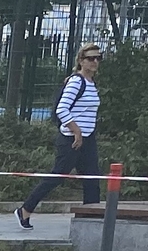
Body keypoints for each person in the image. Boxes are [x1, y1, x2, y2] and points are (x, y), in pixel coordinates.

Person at [15, 43, 102, 229]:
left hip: (88, 138)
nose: (95, 62)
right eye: (90, 58)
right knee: (57, 176)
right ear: (81, 61)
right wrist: (76, 131)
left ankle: (91, 220)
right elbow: (62, 109)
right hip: (71, 139)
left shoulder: (92, 83)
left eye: (98, 58)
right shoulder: (76, 82)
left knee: (92, 178)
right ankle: (25, 209)